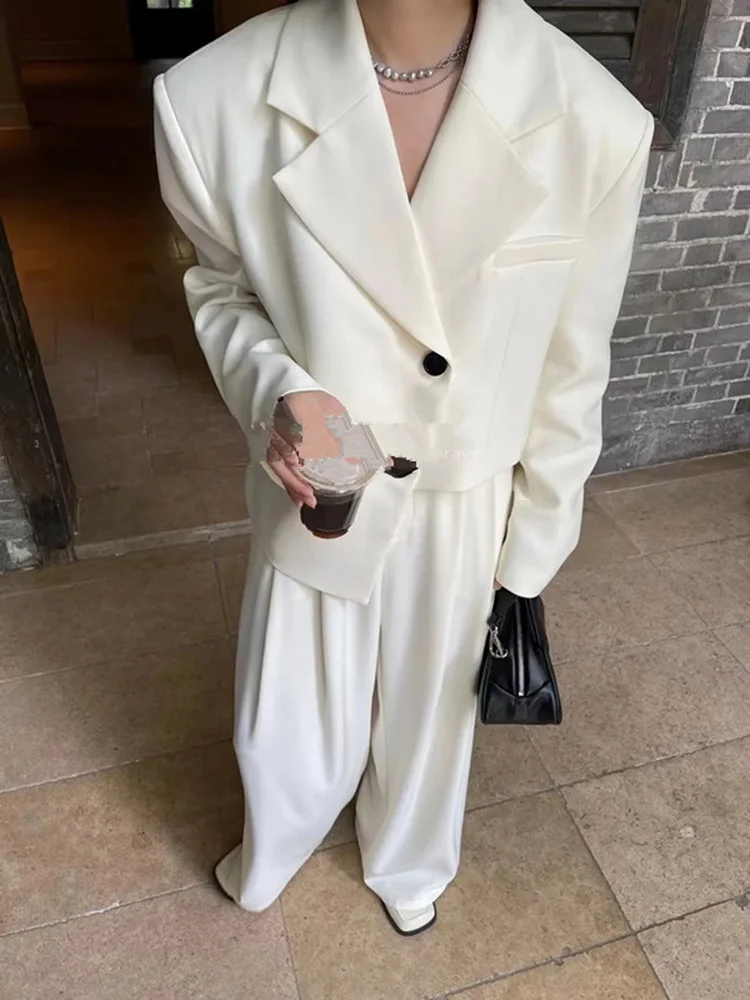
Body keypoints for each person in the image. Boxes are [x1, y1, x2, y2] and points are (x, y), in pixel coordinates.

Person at [154, 0, 653, 936]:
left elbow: (573, 362)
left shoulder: (594, 119)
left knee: (432, 715)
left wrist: (534, 543)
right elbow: (220, 289)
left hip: (468, 486)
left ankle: (411, 854)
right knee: (289, 707)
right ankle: (279, 841)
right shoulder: (210, 98)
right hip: (323, 474)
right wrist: (278, 389)